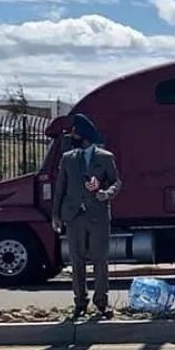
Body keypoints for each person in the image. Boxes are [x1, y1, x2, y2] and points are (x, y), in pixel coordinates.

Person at [52, 113, 122, 319]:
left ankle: (101, 302)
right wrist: (56, 215)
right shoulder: (68, 159)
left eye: (74, 132)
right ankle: (80, 302)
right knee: (77, 261)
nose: (72, 136)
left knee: (100, 260)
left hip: (97, 215)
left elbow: (116, 182)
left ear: (83, 135)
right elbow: (60, 188)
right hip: (74, 216)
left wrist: (106, 193)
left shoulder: (105, 157)